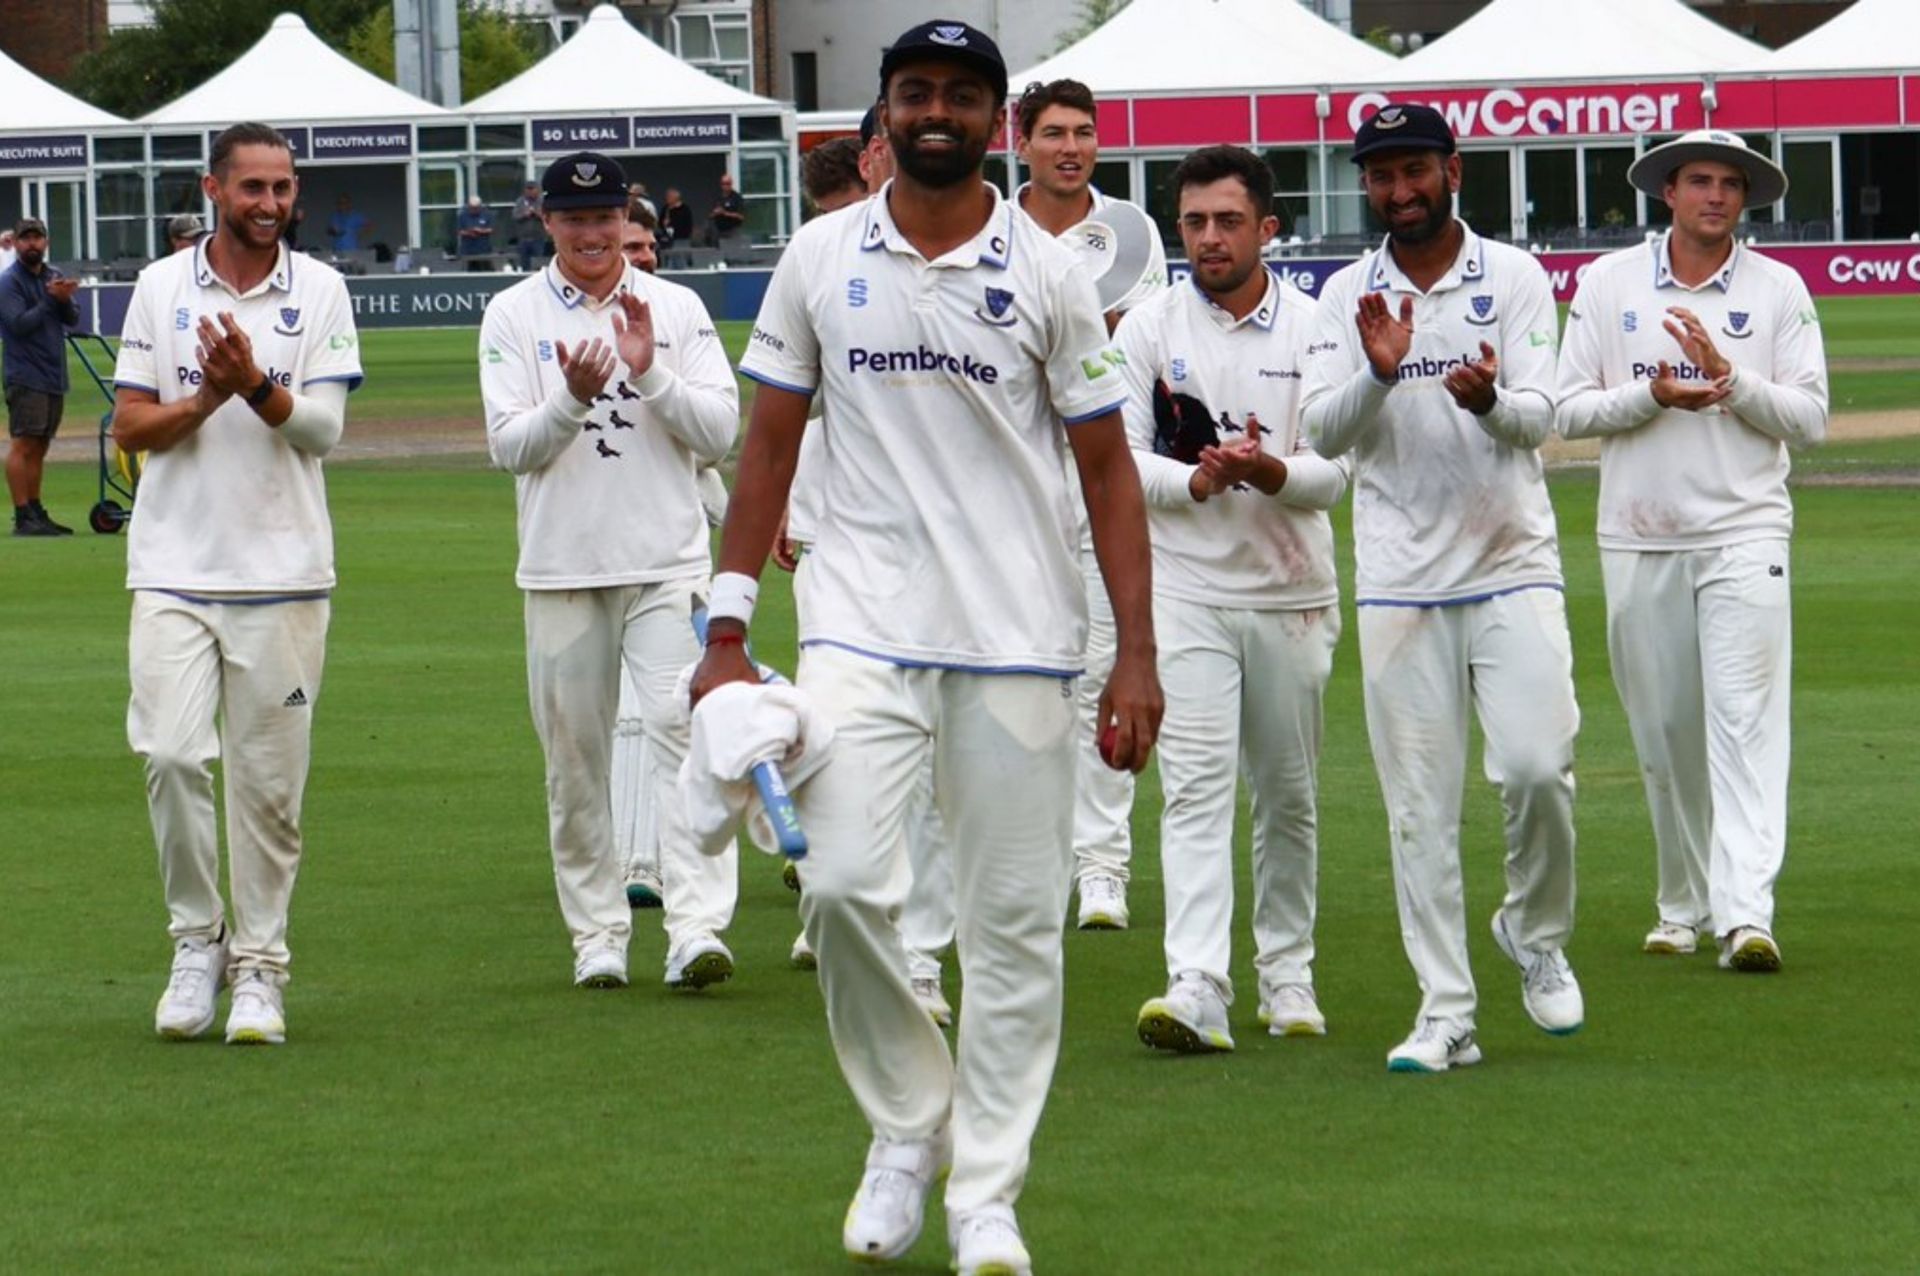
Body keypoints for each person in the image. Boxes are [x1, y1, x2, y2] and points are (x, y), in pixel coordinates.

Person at [695, 21, 1160, 1274]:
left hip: (1019, 639)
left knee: (1015, 930)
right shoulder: (820, 255)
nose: (936, 111)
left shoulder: (1055, 274)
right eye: (915, 93)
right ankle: (908, 1127)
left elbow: (1111, 474)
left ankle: (988, 1194)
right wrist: (727, 622)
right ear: (884, 112)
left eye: (962, 94)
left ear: (996, 118)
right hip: (860, 626)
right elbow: (770, 451)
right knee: (841, 886)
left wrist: (1135, 654)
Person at [1301, 103, 1583, 1074]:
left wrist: (1490, 401)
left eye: (1414, 169)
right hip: (1399, 579)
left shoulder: (1512, 276)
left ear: (1452, 169)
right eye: (1380, 176)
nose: (1398, 191)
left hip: (1510, 561)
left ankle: (1534, 931)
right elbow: (1322, 434)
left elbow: (1542, 416)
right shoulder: (1345, 292)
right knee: (1419, 805)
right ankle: (1445, 1008)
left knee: (1539, 770)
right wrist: (1379, 375)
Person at [109, 122, 363, 1045]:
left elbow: (323, 431)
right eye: (252, 188)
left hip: (285, 576)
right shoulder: (160, 287)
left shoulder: (323, 288)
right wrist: (210, 396)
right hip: (174, 568)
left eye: (283, 189)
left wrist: (253, 383)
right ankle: (196, 942)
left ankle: (261, 969)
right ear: (214, 190)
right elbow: (130, 428)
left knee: (267, 790)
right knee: (172, 758)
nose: (269, 205)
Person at [1555, 130, 1828, 973]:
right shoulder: (1609, 283)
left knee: (1744, 726)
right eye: (1699, 182)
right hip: (1640, 533)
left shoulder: (1779, 288)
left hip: (1746, 529)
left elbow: (1810, 418)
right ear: (1666, 193)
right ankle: (1683, 901)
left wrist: (1732, 378)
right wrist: (1653, 394)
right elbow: (1567, 411)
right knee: (1666, 729)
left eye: (1730, 185)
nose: (1716, 196)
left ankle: (1747, 915)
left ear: (1745, 201)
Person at [479, 150, 740, 991]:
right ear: (546, 222)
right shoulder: (513, 315)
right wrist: (571, 399)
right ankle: (597, 932)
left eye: (604, 218)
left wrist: (649, 369)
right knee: (576, 760)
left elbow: (720, 434)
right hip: (560, 569)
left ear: (625, 218)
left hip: (667, 563)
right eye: (573, 219)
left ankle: (695, 926)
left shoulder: (676, 306)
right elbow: (509, 447)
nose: (591, 235)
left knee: (683, 739)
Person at [1118, 145, 1348, 1053]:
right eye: (1194, 223)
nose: (1209, 239)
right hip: (1187, 592)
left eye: (1227, 221)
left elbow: (1336, 472)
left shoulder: (1316, 326)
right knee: (1196, 790)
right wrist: (1197, 485)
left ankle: (1287, 973)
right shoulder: (1147, 328)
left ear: (1268, 228)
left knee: (1287, 795)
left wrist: (1268, 470)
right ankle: (1197, 984)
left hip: (1291, 592)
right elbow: (1116, 458)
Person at [1014, 76, 1169, 931]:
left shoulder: (1135, 234)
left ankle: (1102, 866)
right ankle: (1031, 853)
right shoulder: (993, 230)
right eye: (1053, 133)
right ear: (1024, 142)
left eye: (1083, 132)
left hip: (1103, 478)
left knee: (1105, 672)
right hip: (1012, 484)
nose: (1070, 147)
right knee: (1021, 679)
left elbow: (1136, 355)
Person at [2, 217, 81, 536]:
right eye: (26, 239)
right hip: (25, 373)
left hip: (52, 372)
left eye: (38, 238)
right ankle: (22, 514)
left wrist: (62, 300)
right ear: (17, 244)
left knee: (41, 445)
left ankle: (35, 510)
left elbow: (73, 318)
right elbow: (18, 324)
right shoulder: (9, 282)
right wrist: (51, 299)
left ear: (46, 242)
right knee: (24, 443)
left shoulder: (53, 276)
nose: (32, 244)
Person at [513, 180, 544, 271]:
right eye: (528, 189)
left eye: (532, 189)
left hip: (539, 238)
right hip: (523, 238)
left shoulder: (542, 201)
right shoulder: (520, 201)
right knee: (524, 263)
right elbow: (515, 216)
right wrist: (525, 214)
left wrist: (536, 213)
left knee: (538, 263)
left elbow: (548, 217)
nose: (530, 191)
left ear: (537, 190)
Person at [707, 173, 745, 245]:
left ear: (731, 184)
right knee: (717, 251)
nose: (725, 186)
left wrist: (725, 213)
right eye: (723, 184)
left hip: (733, 230)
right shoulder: (717, 197)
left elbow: (741, 216)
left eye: (727, 183)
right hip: (718, 230)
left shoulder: (737, 198)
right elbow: (709, 215)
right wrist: (715, 213)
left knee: (733, 251)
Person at [457, 195, 495, 265]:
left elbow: (491, 229)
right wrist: (469, 233)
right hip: (468, 249)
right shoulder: (462, 215)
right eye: (472, 208)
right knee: (469, 270)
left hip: (483, 248)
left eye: (476, 208)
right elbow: (459, 231)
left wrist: (481, 231)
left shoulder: (487, 214)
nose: (474, 210)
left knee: (485, 269)